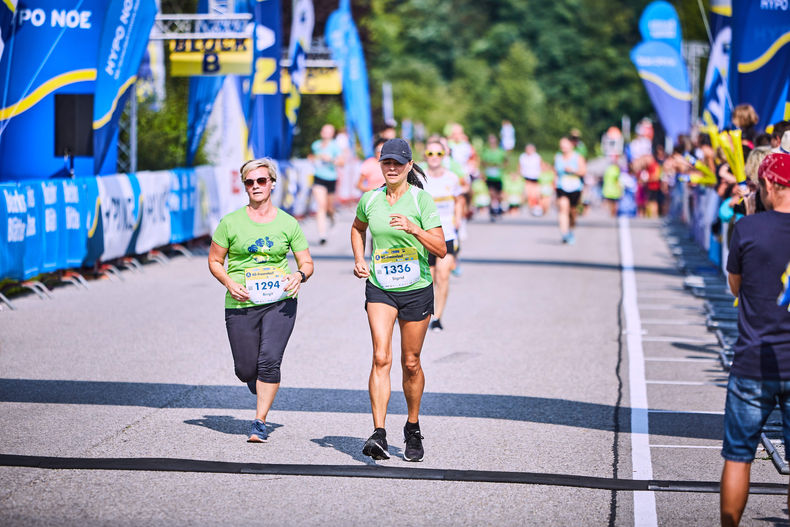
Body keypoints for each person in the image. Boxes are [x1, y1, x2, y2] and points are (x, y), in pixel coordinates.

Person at [350, 138, 446, 462]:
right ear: (380, 165)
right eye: (386, 163)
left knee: (411, 362)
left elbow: (441, 249)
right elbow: (357, 228)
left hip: (416, 287)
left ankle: (413, 427)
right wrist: (359, 257)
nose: (391, 168)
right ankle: (378, 432)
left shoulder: (422, 201)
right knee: (380, 357)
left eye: (397, 163)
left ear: (408, 165)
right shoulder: (370, 199)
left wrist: (414, 229)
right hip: (381, 286)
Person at [208, 158, 314, 443]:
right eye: (250, 182)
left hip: (280, 300)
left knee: (269, 361)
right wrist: (229, 282)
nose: (256, 186)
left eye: (261, 181)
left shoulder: (287, 223)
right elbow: (215, 261)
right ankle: (259, 384)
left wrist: (299, 276)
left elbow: (307, 262)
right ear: (244, 186)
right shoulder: (230, 222)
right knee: (245, 369)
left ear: (272, 184)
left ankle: (259, 421)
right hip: (241, 301)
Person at [720, 153, 790, 526]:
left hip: (753, 360)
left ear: (770, 185)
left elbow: (735, 286)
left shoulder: (747, 229)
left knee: (739, 455)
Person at [421, 138, 464, 332]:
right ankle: (425, 314)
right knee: (428, 277)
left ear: (444, 156)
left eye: (438, 154)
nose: (434, 158)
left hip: (447, 233)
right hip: (425, 235)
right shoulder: (419, 178)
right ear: (425, 156)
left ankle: (437, 317)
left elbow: (460, 199)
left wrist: (459, 219)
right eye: (430, 154)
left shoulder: (452, 178)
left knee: (443, 275)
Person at [310, 124, 342, 245]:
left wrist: (331, 160)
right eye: (324, 130)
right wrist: (313, 159)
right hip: (318, 177)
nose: (325, 133)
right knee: (321, 206)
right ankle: (322, 235)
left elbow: (342, 162)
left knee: (329, 207)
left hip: (331, 178)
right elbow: (312, 156)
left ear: (332, 134)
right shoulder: (316, 145)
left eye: (329, 131)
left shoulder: (335, 147)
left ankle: (333, 217)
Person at [554, 136, 586, 244]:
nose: (563, 148)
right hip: (561, 187)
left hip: (575, 188)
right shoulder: (558, 157)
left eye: (565, 145)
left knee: (572, 212)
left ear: (571, 145)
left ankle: (571, 228)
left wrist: (573, 171)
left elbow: (583, 171)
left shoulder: (578, 157)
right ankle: (565, 233)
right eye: (561, 146)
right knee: (563, 208)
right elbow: (555, 172)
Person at [481, 134, 507, 220]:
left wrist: (500, 166)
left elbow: (506, 161)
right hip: (490, 176)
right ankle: (492, 210)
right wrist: (488, 166)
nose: (492, 143)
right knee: (491, 194)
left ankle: (498, 208)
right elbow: (482, 162)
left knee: (499, 195)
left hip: (498, 176)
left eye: (493, 141)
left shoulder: (501, 151)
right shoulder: (486, 152)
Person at [519, 143, 542, 216]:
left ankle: (534, 207)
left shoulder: (537, 157)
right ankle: (531, 207)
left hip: (535, 178)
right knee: (528, 194)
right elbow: (519, 167)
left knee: (534, 194)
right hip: (526, 178)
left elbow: (541, 166)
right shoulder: (522, 156)